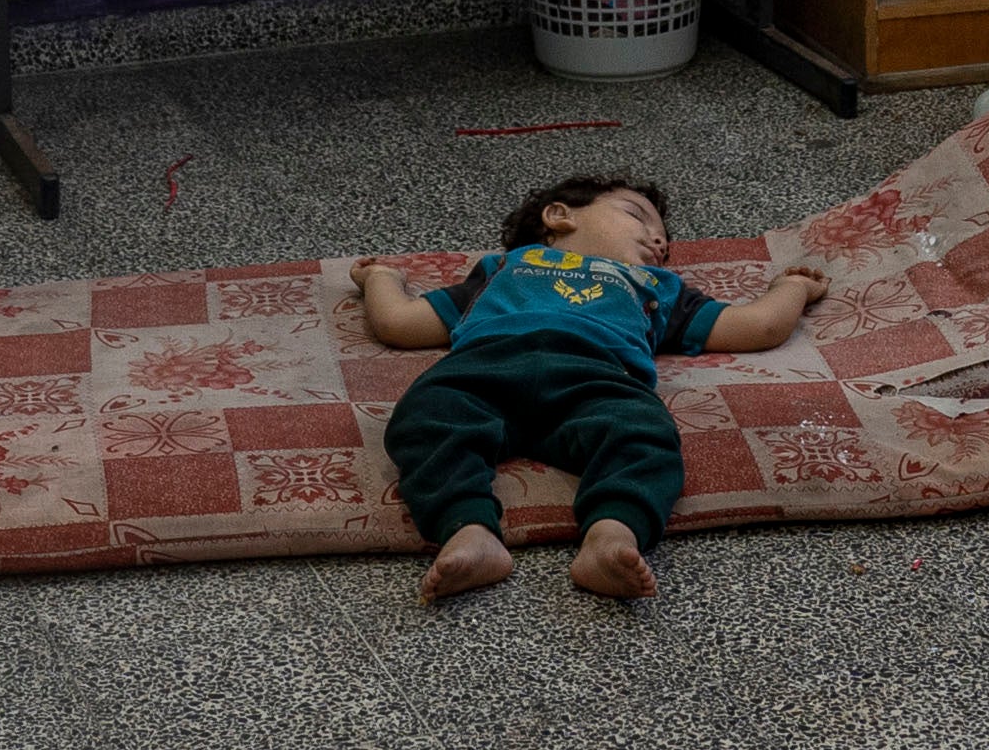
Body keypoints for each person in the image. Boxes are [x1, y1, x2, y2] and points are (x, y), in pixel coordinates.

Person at [354, 174, 825, 603]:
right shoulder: (507, 267)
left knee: (643, 434)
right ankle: (467, 530)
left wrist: (793, 289)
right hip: (484, 369)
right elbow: (400, 323)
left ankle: (612, 535)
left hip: (597, 378)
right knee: (427, 416)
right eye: (636, 216)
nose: (658, 239)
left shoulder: (655, 286)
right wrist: (381, 278)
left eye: (664, 238)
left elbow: (760, 327)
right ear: (559, 217)